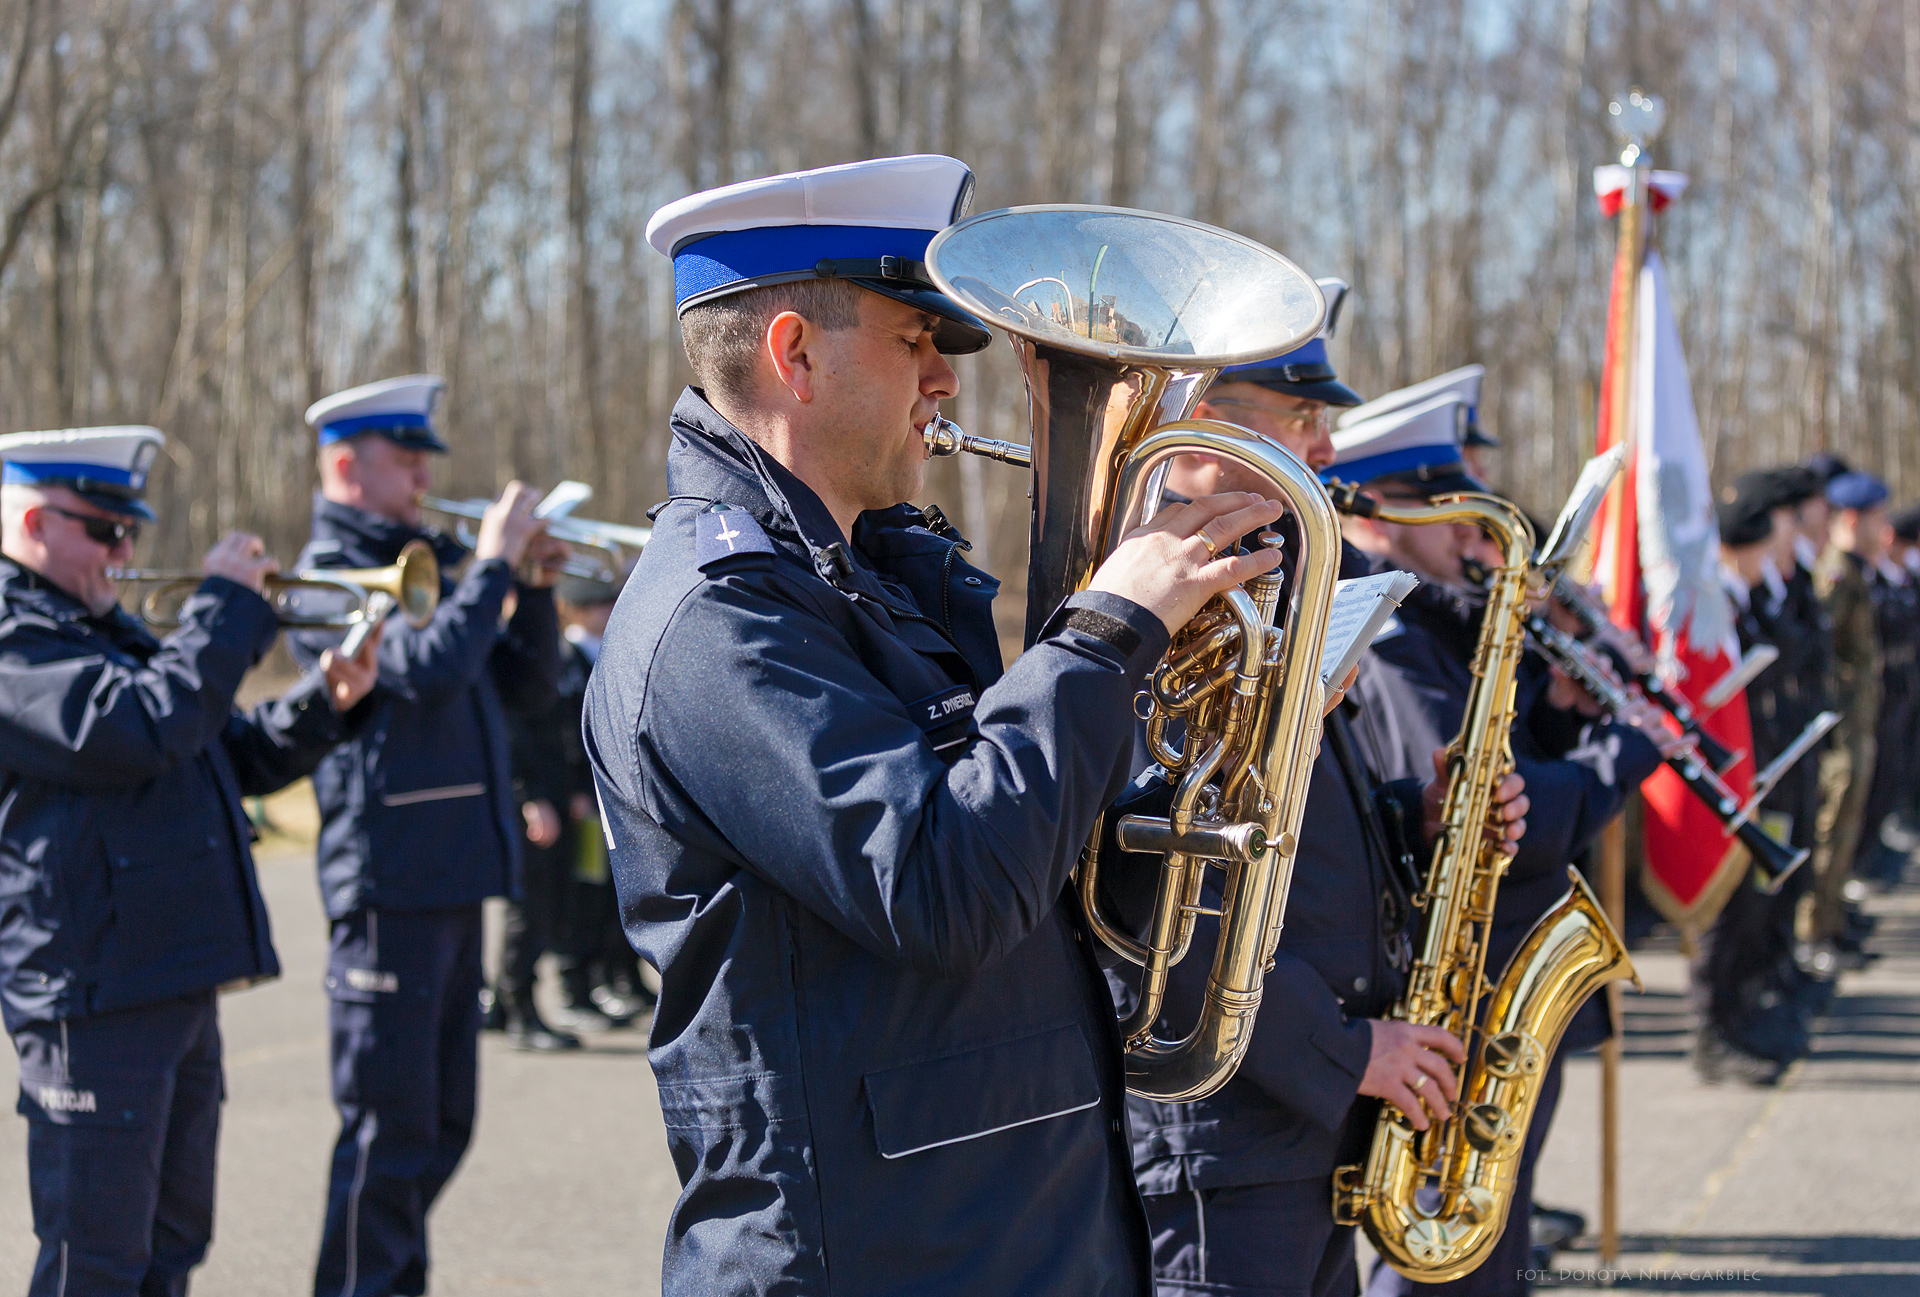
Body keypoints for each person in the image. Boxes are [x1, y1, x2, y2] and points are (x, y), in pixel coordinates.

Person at [583, 154, 1302, 1295]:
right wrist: (1107, 630)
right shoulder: (714, 621)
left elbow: (1033, 855)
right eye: (915, 340)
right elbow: (946, 882)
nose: (948, 382)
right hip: (870, 1255)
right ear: (795, 353)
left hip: (1007, 1228)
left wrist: (1216, 750)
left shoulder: (879, 576)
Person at [1108, 324, 1531, 1297]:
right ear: (1210, 430)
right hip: (1229, 1136)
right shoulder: (1153, 599)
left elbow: (1285, 837)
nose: (1329, 449)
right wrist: (1349, 1052)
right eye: (1304, 419)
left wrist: (1423, 820)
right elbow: (1156, 891)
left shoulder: (1269, 584)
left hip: (1297, 1129)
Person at [0, 426, 381, 1297]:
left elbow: (221, 748)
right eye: (104, 530)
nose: (125, 549)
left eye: (129, 530)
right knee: (92, 1261)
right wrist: (222, 607)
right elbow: (142, 726)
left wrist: (325, 703)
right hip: (91, 995)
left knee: (172, 1244)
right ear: (29, 521)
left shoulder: (98, 625)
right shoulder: (14, 638)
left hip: (168, 979)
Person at [1331, 397, 1668, 1297]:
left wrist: (1562, 711)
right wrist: (1618, 755)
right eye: (1450, 503)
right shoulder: (1391, 627)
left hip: (1493, 955)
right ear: (1383, 508)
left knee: (1491, 1233)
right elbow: (1471, 788)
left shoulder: (1431, 615)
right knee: (1448, 1241)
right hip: (1466, 971)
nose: (1468, 535)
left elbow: (1499, 757)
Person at [289, 375, 566, 1297]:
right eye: (402, 456)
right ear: (343, 464)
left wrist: (528, 591)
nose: (421, 473)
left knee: (443, 1126)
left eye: (423, 456)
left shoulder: (440, 557)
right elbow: (428, 671)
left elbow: (526, 690)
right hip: (387, 884)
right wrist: (488, 569)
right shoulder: (328, 576)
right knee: (388, 1137)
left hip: (453, 877)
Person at [503, 571, 652, 1042]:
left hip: (586, 797)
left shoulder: (583, 656)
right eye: (596, 606)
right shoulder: (554, 661)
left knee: (591, 893)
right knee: (554, 901)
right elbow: (551, 735)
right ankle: (541, 998)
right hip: (563, 799)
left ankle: (589, 983)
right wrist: (548, 795)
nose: (606, 613)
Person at [1806, 470, 1889, 958]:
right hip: (1841, 723)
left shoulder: (1857, 569)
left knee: (1847, 823)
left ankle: (1830, 922)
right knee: (1830, 823)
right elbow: (1823, 655)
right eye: (1877, 518)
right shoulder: (1835, 573)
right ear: (1854, 519)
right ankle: (1813, 931)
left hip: (1858, 719)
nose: (1884, 529)